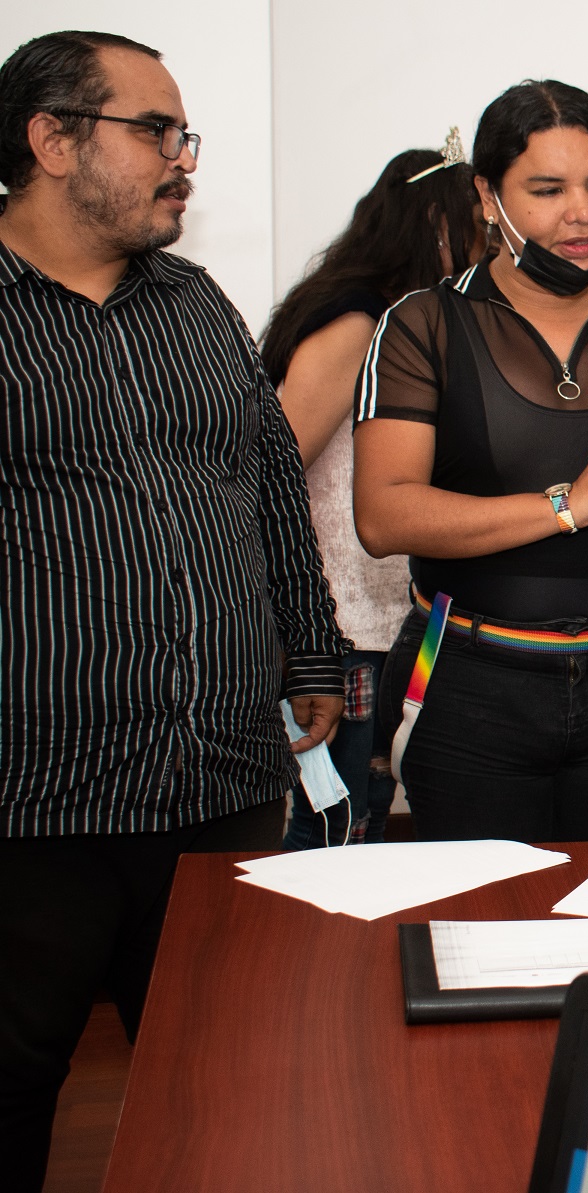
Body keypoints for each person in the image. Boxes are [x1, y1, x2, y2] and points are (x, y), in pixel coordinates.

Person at [0, 31, 347, 1192]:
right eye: (155, 131)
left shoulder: (194, 303)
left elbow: (270, 485)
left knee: (221, 1070)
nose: (181, 158)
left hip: (220, 780)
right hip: (37, 797)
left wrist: (313, 650)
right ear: (53, 140)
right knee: (14, 1078)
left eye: (182, 133)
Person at [354, 79, 588, 843]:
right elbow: (383, 514)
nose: (582, 212)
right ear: (486, 196)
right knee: (484, 907)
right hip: (470, 684)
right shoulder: (425, 324)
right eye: (547, 190)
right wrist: (566, 505)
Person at [260, 136, 485, 848]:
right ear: (436, 225)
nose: (487, 251)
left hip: (391, 618)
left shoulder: (407, 326)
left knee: (371, 806)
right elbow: (271, 464)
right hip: (342, 623)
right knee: (335, 819)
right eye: (476, 230)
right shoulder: (356, 324)